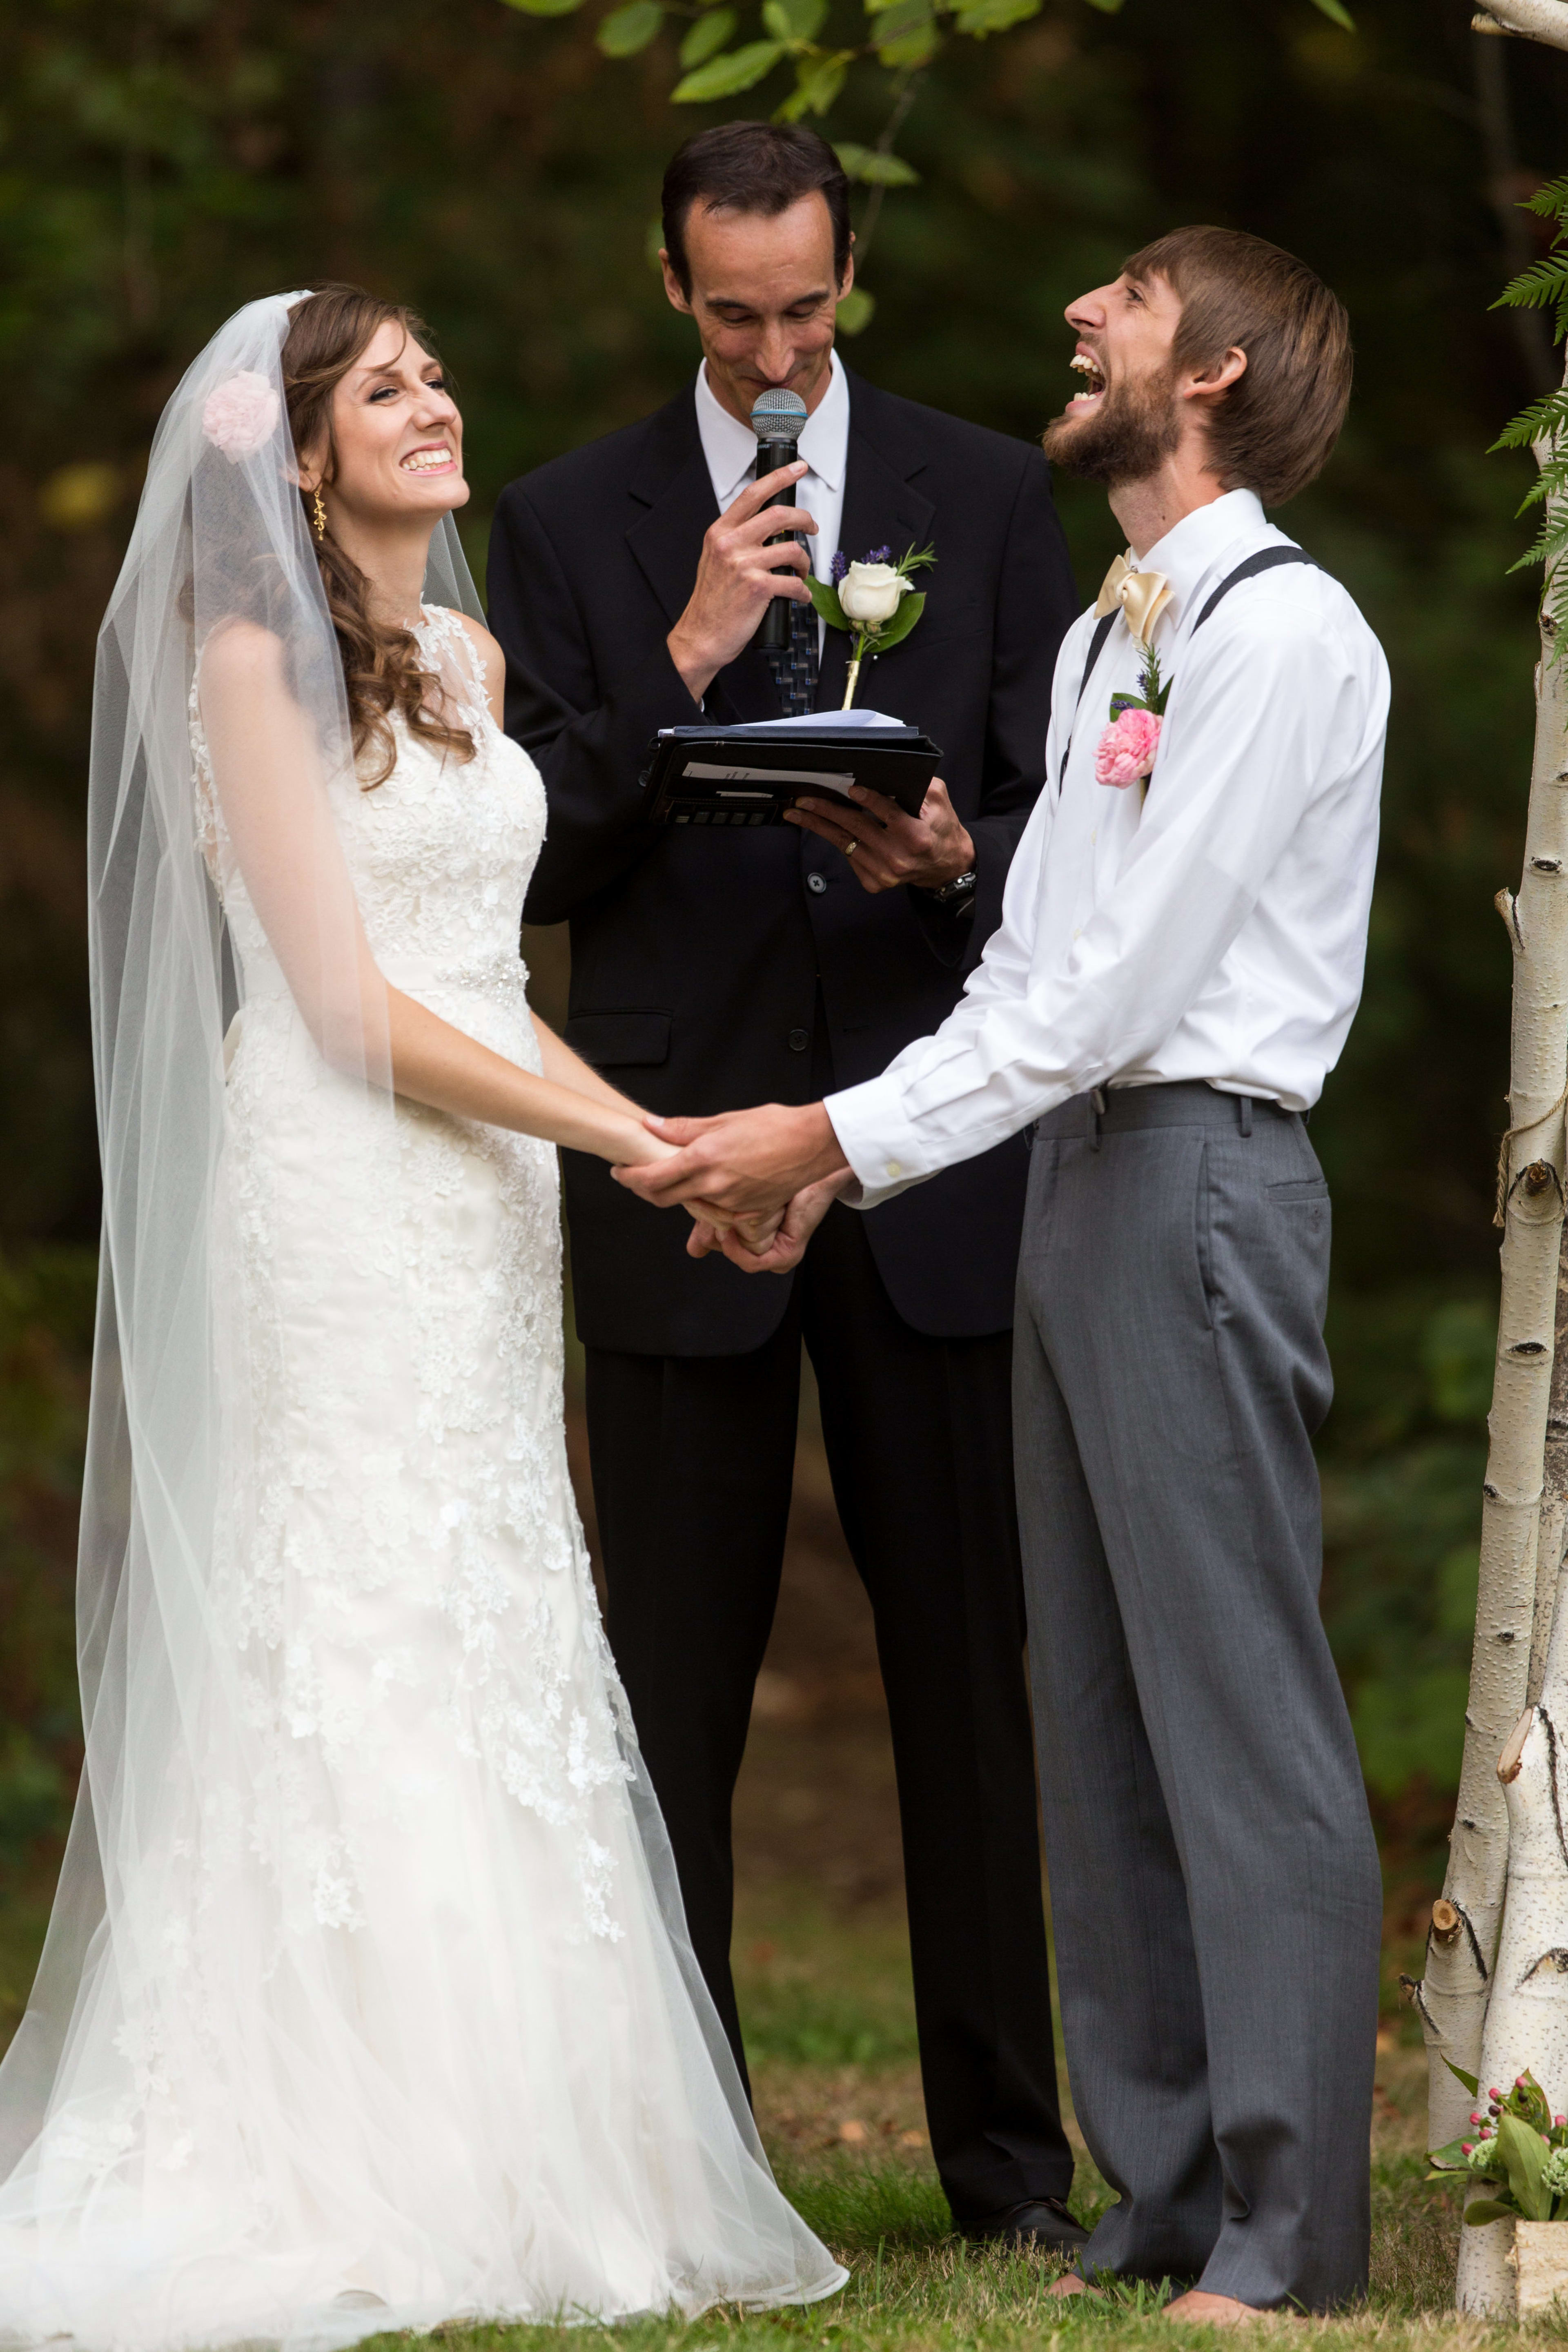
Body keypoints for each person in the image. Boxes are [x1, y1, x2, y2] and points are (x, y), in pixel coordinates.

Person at [0, 285, 846, 2346]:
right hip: (343, 1181)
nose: (437, 402)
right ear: (301, 458)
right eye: (386, 390)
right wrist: (639, 1151)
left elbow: (472, 982)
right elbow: (348, 1006)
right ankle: (334, 2134)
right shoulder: (243, 661)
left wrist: (645, 1132)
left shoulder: (468, 656)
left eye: (442, 373)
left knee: (500, 1598)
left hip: (481, 1194)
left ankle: (541, 2139)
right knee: (361, 1600)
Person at [618, 226, 1390, 2319]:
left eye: (1127, 302)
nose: (1079, 318)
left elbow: (1124, 994)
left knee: (1236, 1708)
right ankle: (1153, 2204)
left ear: (1212, 369)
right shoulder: (1108, 639)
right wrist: (838, 1173)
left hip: (1205, 1179)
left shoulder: (1288, 641)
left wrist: (829, 1134)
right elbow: (1033, 969)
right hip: (1067, 1181)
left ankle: (1295, 2228)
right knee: (1101, 1711)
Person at [486, 119, 1085, 2251]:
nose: (770, 347)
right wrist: (686, 649)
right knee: (670, 1688)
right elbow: (522, 859)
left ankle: (1012, 2173)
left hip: (924, 1135)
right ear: (673, 290)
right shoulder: (561, 522)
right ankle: (690, 2172)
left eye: (805, 310)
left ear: (855, 282)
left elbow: (1060, 830)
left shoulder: (992, 492)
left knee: (970, 1675)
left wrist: (958, 863)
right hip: (672, 1144)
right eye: (733, 313)